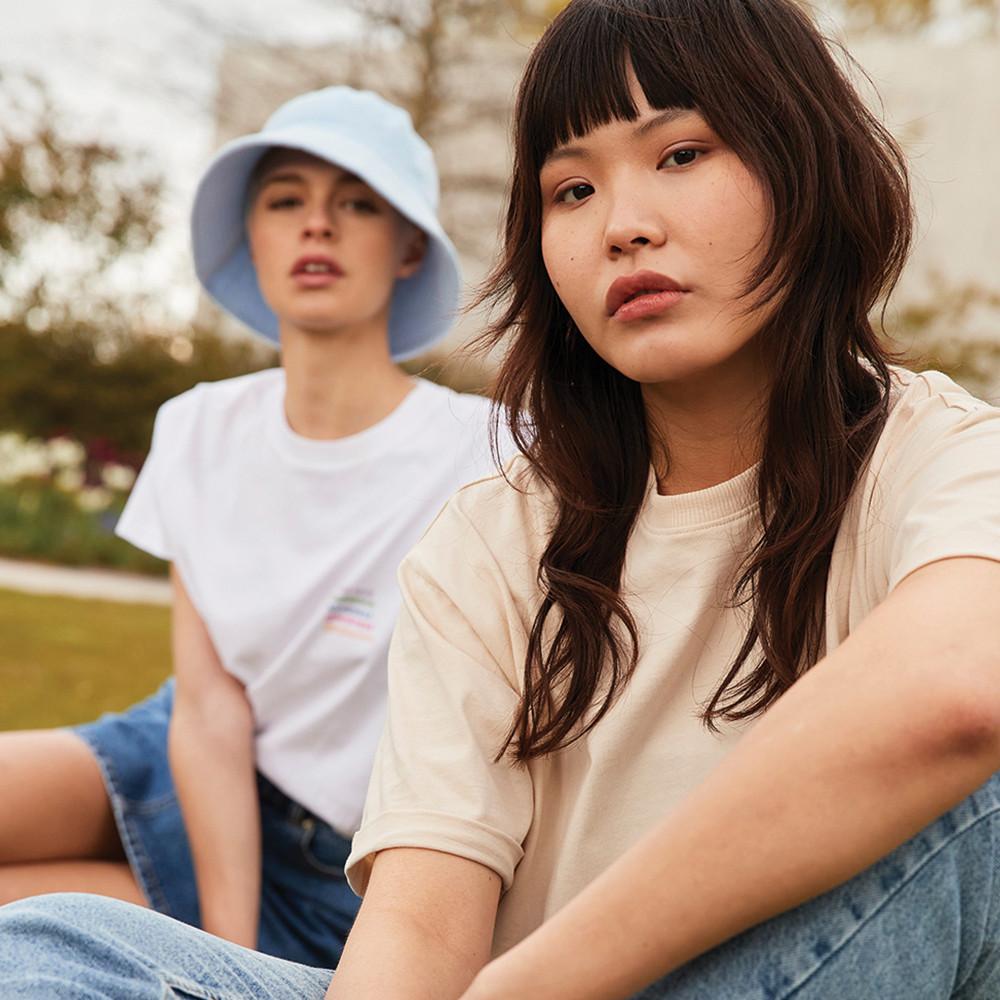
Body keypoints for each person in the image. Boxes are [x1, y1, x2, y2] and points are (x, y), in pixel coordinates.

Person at [2, 1, 1000, 997]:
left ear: (804, 161)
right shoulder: (490, 534)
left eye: (682, 154)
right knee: (50, 942)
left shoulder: (942, 456)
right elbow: (422, 923)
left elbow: (957, 689)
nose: (623, 226)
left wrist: (529, 986)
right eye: (572, 187)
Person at [0, 85, 507, 969]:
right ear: (256, 237)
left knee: (25, 948)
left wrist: (219, 969)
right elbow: (208, 705)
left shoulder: (486, 449)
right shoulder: (198, 424)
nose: (318, 225)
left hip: (334, 871)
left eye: (357, 203)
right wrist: (222, 946)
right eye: (285, 200)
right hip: (179, 761)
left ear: (409, 248)